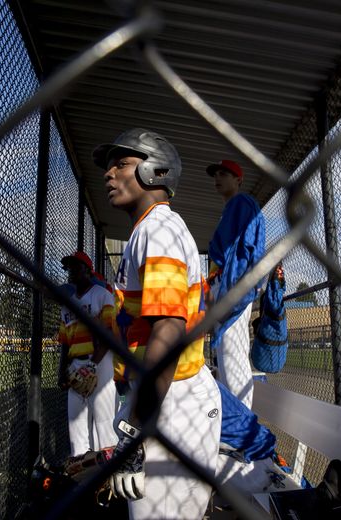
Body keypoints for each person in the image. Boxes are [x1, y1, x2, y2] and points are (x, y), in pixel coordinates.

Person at [94, 128, 221, 519]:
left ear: (155, 171)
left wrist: (134, 430)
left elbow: (169, 328)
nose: (108, 174)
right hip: (165, 397)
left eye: (122, 163)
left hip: (173, 401)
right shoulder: (147, 230)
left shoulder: (158, 229)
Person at [206, 159, 265, 409]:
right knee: (226, 359)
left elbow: (247, 253)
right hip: (225, 288)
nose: (218, 177)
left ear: (238, 180)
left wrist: (235, 291)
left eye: (225, 173)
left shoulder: (242, 203)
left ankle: (242, 431)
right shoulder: (229, 209)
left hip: (232, 288)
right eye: (216, 173)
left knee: (233, 360)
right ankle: (236, 425)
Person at [58, 251, 119, 456]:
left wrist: (93, 365)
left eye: (75, 266)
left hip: (100, 363)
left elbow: (108, 334)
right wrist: (62, 371)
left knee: (103, 423)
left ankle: (108, 478)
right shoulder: (67, 305)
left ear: (87, 270)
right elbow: (65, 342)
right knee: (76, 427)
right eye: (68, 267)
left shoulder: (102, 295)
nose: (70, 271)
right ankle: (82, 476)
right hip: (76, 365)